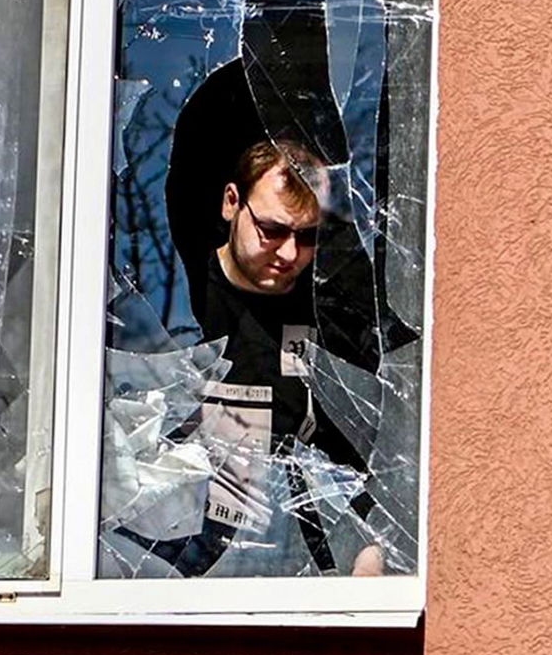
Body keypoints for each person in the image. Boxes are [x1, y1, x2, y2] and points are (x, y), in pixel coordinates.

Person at [124, 138, 385, 577]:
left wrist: (370, 547)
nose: (288, 254)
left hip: (302, 562)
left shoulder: (333, 318)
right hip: (173, 564)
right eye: (273, 230)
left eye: (306, 237)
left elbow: (364, 453)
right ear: (232, 203)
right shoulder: (173, 302)